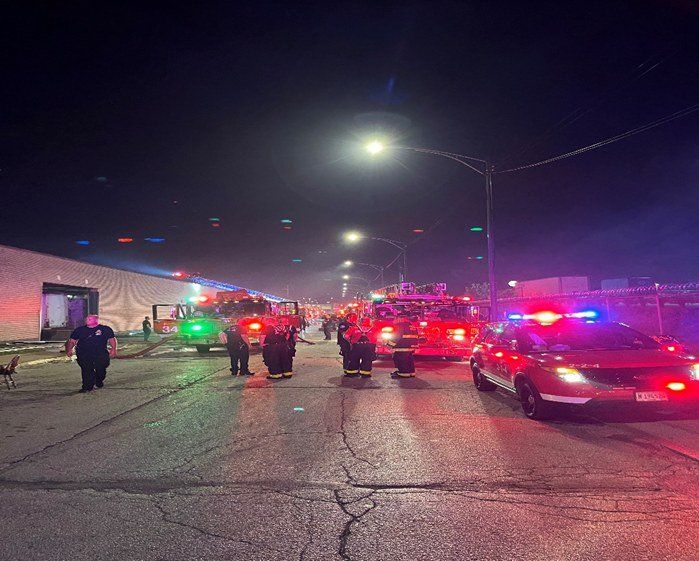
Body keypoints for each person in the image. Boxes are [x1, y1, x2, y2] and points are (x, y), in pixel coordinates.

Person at [66, 315, 117, 393]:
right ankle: (87, 387)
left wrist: (113, 349)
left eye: (90, 319)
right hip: (84, 353)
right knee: (86, 369)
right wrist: (69, 349)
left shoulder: (105, 329)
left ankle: (98, 380)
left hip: (100, 352)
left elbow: (112, 339)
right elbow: (72, 341)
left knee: (101, 368)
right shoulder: (79, 330)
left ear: (96, 320)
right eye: (87, 319)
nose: (87, 320)